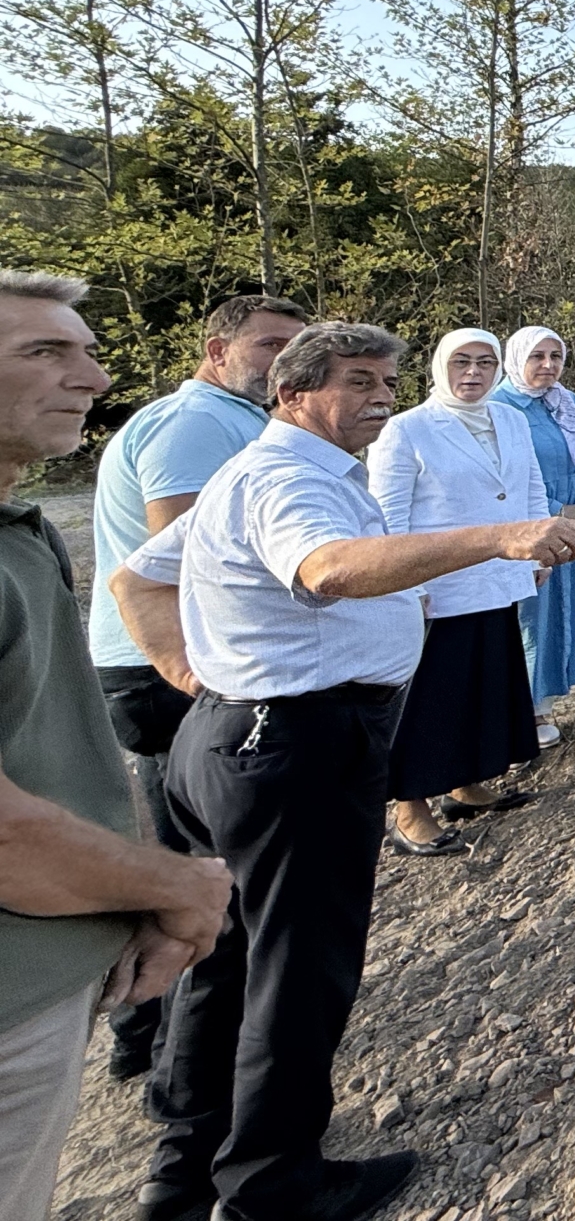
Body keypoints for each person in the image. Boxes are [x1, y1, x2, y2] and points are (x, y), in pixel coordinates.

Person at [120, 322, 575, 1221]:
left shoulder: (281, 470)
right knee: (300, 970)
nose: (380, 395)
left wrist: (206, 682)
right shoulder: (289, 478)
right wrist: (500, 537)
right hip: (297, 747)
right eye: (356, 381)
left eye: (384, 379)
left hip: (241, 736)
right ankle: (273, 1184)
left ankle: (185, 1172)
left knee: (225, 960)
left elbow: (138, 582)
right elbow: (330, 569)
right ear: (294, 394)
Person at [0, 272, 232, 1221]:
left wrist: (135, 879)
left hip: (50, 977)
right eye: (45, 352)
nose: (93, 378)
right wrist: (180, 884)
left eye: (88, 350)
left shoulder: (23, 532)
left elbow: (55, 751)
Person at [86, 293, 307, 1079]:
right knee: (204, 875)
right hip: (174, 663)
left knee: (189, 863)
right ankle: (184, 1066)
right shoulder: (193, 425)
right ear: (216, 351)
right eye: (267, 345)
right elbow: (177, 554)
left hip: (181, 661)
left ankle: (154, 1040)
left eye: (294, 347)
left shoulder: (236, 420)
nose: (282, 361)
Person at [368, 330, 549, 856]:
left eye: (485, 363)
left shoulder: (510, 419)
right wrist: (411, 583)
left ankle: (464, 784)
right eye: (461, 363)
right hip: (438, 589)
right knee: (432, 699)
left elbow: (529, 486)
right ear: (439, 367)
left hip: (497, 578)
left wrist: (537, 550)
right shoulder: (407, 430)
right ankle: (409, 809)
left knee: (485, 686)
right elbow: (389, 516)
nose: (473, 373)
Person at [493, 326, 575, 748]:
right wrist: (559, 509)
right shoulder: (500, 407)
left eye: (555, 356)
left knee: (562, 611)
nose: (548, 366)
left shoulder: (566, 403)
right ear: (517, 358)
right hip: (530, 528)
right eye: (537, 356)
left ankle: (545, 704)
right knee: (528, 617)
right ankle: (523, 710)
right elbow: (508, 476)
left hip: (574, 529)